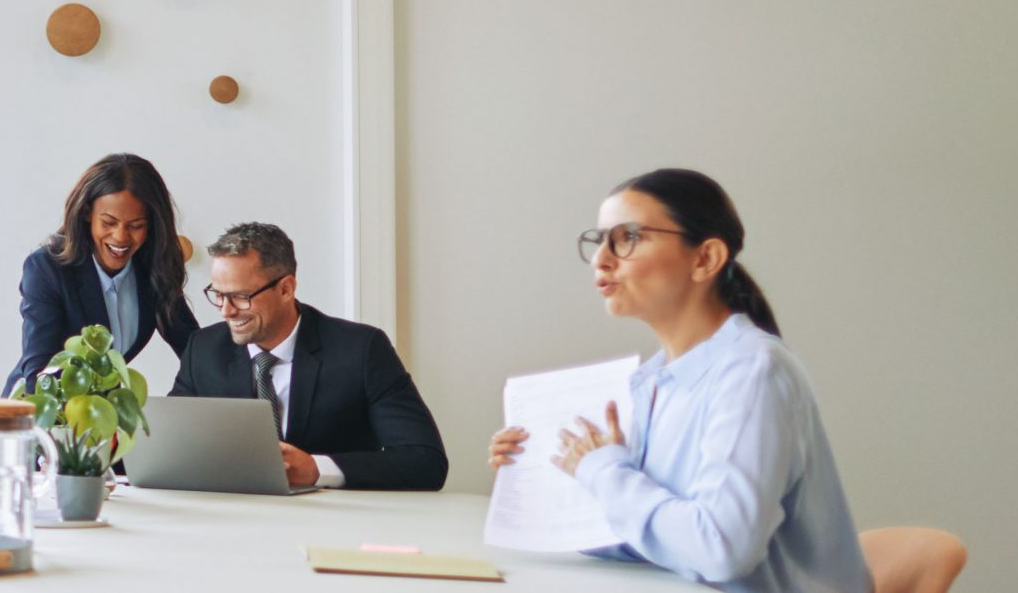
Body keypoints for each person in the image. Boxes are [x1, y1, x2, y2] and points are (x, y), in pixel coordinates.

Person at [488, 169, 867, 591]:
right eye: (599, 241)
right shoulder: (651, 381)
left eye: (628, 237)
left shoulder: (753, 372)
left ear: (705, 258)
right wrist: (545, 466)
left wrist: (604, 472)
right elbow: (658, 540)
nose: (601, 259)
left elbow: (720, 550)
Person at [171, 222, 448, 490]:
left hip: (331, 523)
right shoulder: (204, 350)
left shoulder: (361, 350)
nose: (226, 311)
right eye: (218, 295)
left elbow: (425, 462)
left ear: (286, 288)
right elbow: (169, 447)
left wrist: (318, 469)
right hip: (230, 520)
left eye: (241, 297)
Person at [2, 153, 201, 398]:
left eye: (136, 225)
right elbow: (41, 376)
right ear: (86, 213)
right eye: (108, 222)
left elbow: (196, 352)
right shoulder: (47, 268)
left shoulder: (154, 268)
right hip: (38, 413)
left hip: (101, 418)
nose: (120, 237)